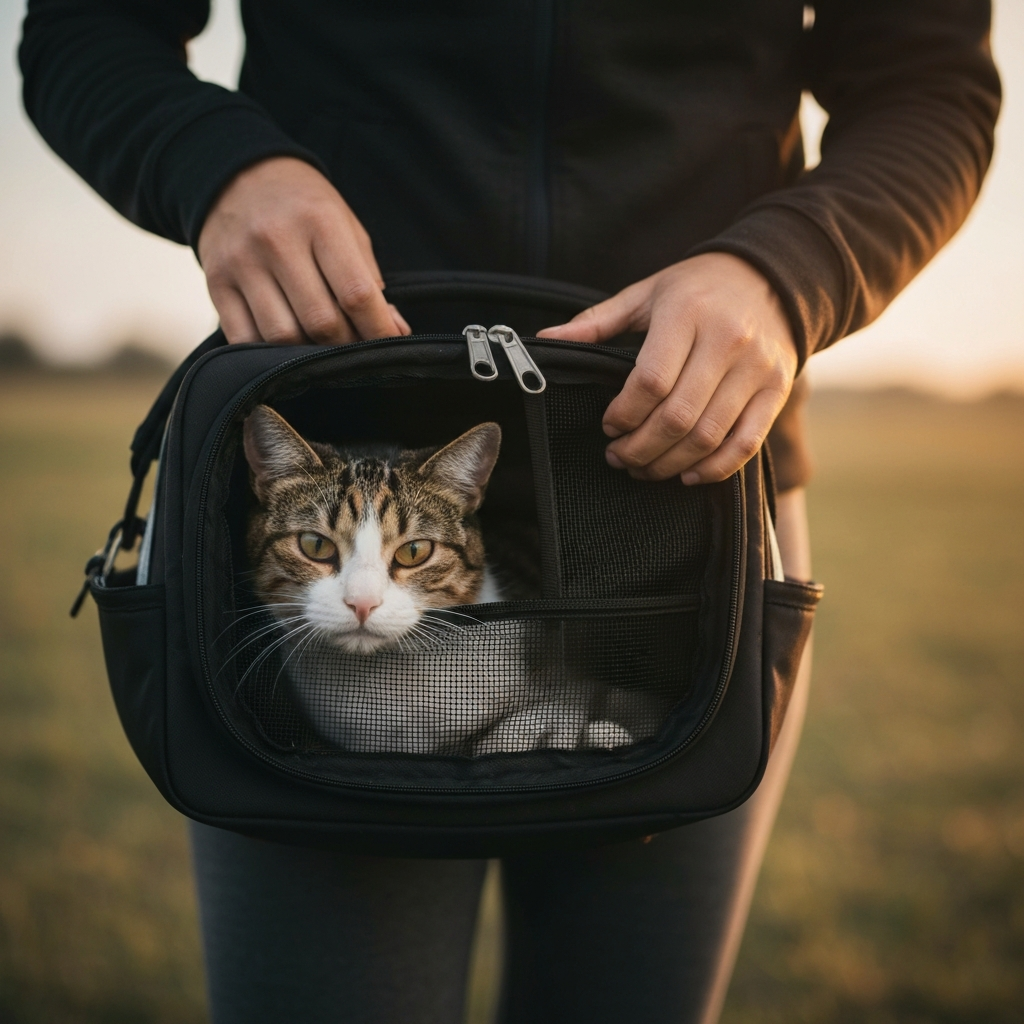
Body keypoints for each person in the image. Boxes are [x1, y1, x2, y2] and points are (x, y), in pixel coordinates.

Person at [20, 1, 999, 1021]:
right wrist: (214, 161)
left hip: (698, 496)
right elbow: (82, 28)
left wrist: (788, 268)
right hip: (325, 406)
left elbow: (931, 84)